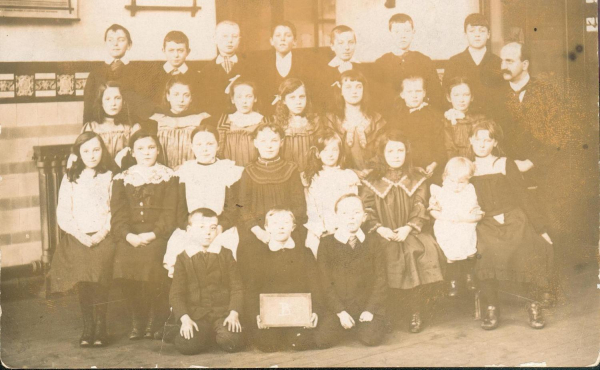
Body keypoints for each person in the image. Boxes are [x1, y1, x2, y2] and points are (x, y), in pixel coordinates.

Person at [468, 120, 554, 330]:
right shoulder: (466, 166)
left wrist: (540, 228)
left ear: (494, 142)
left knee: (527, 246)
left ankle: (533, 305)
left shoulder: (505, 163)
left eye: (487, 140)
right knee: (485, 251)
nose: (482, 145)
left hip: (513, 217)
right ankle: (492, 307)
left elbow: (523, 196)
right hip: (484, 221)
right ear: (470, 140)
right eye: (478, 140)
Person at [360, 130, 445, 333]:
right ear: (382, 153)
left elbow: (420, 205)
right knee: (386, 257)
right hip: (383, 232)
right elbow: (367, 208)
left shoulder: (416, 177)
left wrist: (409, 227)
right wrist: (380, 229)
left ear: (407, 152)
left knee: (415, 254)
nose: (396, 155)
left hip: (411, 231)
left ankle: (415, 311)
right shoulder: (372, 180)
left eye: (400, 150)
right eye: (390, 150)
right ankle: (389, 313)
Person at [49, 132, 116, 347]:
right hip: (78, 236)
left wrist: (102, 234)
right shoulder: (71, 177)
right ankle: (88, 327)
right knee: (84, 280)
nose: (92, 155)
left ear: (103, 151)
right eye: (86, 150)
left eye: (96, 149)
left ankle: (101, 326)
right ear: (78, 153)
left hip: (104, 234)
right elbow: (64, 213)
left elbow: (115, 210)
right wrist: (80, 235)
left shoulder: (110, 175)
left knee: (100, 278)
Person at [111, 130, 179, 340]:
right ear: (132, 152)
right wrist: (127, 235)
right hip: (130, 235)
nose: (146, 153)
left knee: (152, 263)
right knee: (122, 263)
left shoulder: (169, 176)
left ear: (158, 150)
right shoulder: (122, 178)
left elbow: (170, 213)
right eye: (140, 149)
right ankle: (137, 318)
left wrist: (153, 234)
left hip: (158, 235)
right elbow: (118, 214)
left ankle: (154, 318)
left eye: (151, 148)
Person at [236, 122, 307, 281]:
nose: (269, 146)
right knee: (249, 253)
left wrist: (283, 230)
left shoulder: (291, 169)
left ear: (282, 142)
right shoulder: (249, 171)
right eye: (263, 141)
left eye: (274, 141)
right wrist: (259, 232)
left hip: (287, 228)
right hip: (257, 229)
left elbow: (299, 205)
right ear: (255, 143)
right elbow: (242, 206)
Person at [314, 194, 387, 348]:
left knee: (370, 339)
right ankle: (347, 325)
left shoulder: (373, 241)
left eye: (356, 213)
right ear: (337, 217)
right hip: (339, 308)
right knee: (322, 340)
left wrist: (369, 310)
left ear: (364, 217)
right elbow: (325, 283)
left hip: (366, 307)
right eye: (345, 213)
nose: (351, 218)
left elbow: (381, 279)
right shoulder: (327, 243)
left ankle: (362, 327)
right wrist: (340, 312)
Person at [169, 208, 244, 355]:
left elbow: (237, 288)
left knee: (232, 341)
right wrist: (185, 319)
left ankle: (214, 334)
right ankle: (198, 334)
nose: (207, 232)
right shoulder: (183, 258)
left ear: (218, 230)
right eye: (201, 227)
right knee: (187, 345)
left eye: (213, 228)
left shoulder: (226, 254)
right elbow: (176, 294)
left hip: (221, 313)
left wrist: (233, 313)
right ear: (189, 230)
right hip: (196, 315)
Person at [245, 208, 321, 352]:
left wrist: (315, 311)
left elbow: (315, 286)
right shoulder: (258, 256)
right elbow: (251, 290)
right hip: (270, 317)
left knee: (301, 342)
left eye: (286, 222)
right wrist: (257, 315)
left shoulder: (305, 253)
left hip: (298, 315)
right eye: (274, 223)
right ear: (266, 228)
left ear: (293, 227)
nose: (280, 227)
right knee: (267, 344)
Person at [429, 157, 483, 296]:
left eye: (461, 182)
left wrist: (466, 218)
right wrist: (445, 218)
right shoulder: (440, 191)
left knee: (468, 243)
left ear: (468, 180)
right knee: (450, 251)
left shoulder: (470, 190)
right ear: (445, 177)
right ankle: (453, 280)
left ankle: (469, 275)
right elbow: (433, 211)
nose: (456, 186)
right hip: (446, 223)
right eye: (452, 181)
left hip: (465, 222)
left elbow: (477, 211)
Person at [303, 128, 361, 257]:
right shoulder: (314, 178)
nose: (330, 154)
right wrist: (321, 229)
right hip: (320, 229)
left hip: (343, 227)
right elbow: (311, 208)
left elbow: (353, 205)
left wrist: (341, 227)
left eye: (334, 150)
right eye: (325, 150)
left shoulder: (348, 176)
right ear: (318, 153)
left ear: (340, 153)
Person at [373, 13, 444, 110]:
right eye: (397, 32)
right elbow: (376, 99)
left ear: (413, 32)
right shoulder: (381, 63)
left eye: (407, 31)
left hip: (420, 116)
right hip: (391, 118)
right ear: (390, 34)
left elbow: (436, 96)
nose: (402, 36)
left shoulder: (424, 61)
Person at [325, 70, 386, 177]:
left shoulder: (376, 120)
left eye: (358, 87)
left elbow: (382, 151)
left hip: (373, 176)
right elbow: (329, 152)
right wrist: (351, 172)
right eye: (348, 87)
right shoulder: (331, 120)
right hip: (341, 176)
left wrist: (371, 170)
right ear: (341, 91)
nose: (354, 91)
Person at [83, 24, 148, 123]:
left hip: (130, 126)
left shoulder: (139, 72)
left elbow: (142, 105)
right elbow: (88, 106)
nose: (115, 44)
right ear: (105, 44)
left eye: (121, 40)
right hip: (101, 126)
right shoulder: (95, 73)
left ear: (129, 45)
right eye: (110, 40)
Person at [442, 13, 503, 113]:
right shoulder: (454, 62)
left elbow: (502, 97)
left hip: (491, 119)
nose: (477, 35)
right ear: (465, 34)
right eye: (472, 31)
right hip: (461, 118)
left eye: (482, 31)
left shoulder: (498, 62)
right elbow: (445, 95)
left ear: (488, 34)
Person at [248, 21, 311, 115]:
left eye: (287, 35)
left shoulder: (305, 64)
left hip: (296, 115)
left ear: (294, 42)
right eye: (278, 35)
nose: (282, 39)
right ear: (271, 41)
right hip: (267, 114)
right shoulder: (260, 65)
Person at [148, 75, 210, 168]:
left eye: (186, 95)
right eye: (176, 94)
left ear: (191, 98)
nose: (181, 100)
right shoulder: (157, 120)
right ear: (168, 96)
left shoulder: (199, 120)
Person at [393, 76, 446, 182]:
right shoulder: (397, 117)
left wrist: (433, 165)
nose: (414, 95)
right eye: (409, 92)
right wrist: (411, 167)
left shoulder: (434, 115)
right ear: (402, 95)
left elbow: (440, 144)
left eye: (418, 91)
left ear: (424, 93)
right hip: (406, 168)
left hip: (430, 168)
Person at [198, 21, 249, 117]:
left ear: (239, 40)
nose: (230, 40)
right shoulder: (206, 70)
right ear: (215, 39)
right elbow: (204, 101)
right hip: (216, 118)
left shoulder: (249, 67)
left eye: (234, 36)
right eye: (225, 36)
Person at [273, 78, 321, 172]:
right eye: (292, 97)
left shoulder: (315, 122)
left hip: (311, 173)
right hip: (285, 174)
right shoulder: (277, 123)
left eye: (302, 97)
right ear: (284, 101)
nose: (298, 102)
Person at [82, 81, 140, 159]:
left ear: (123, 101)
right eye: (107, 99)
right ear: (101, 102)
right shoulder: (91, 127)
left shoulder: (133, 128)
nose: (113, 103)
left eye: (117, 98)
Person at [144, 31, 200, 109]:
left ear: (188, 52)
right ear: (163, 50)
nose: (176, 55)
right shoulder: (153, 76)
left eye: (180, 50)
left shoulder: (197, 77)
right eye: (171, 50)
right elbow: (147, 103)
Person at [217, 79, 266, 167]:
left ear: (255, 99)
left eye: (249, 96)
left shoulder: (263, 121)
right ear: (232, 100)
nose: (244, 101)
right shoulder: (224, 121)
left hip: (257, 171)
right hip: (230, 170)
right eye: (239, 97)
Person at [442, 77, 487, 159]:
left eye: (466, 95)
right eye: (456, 95)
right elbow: (449, 149)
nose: (461, 100)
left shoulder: (481, 120)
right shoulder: (445, 121)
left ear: (472, 97)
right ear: (449, 97)